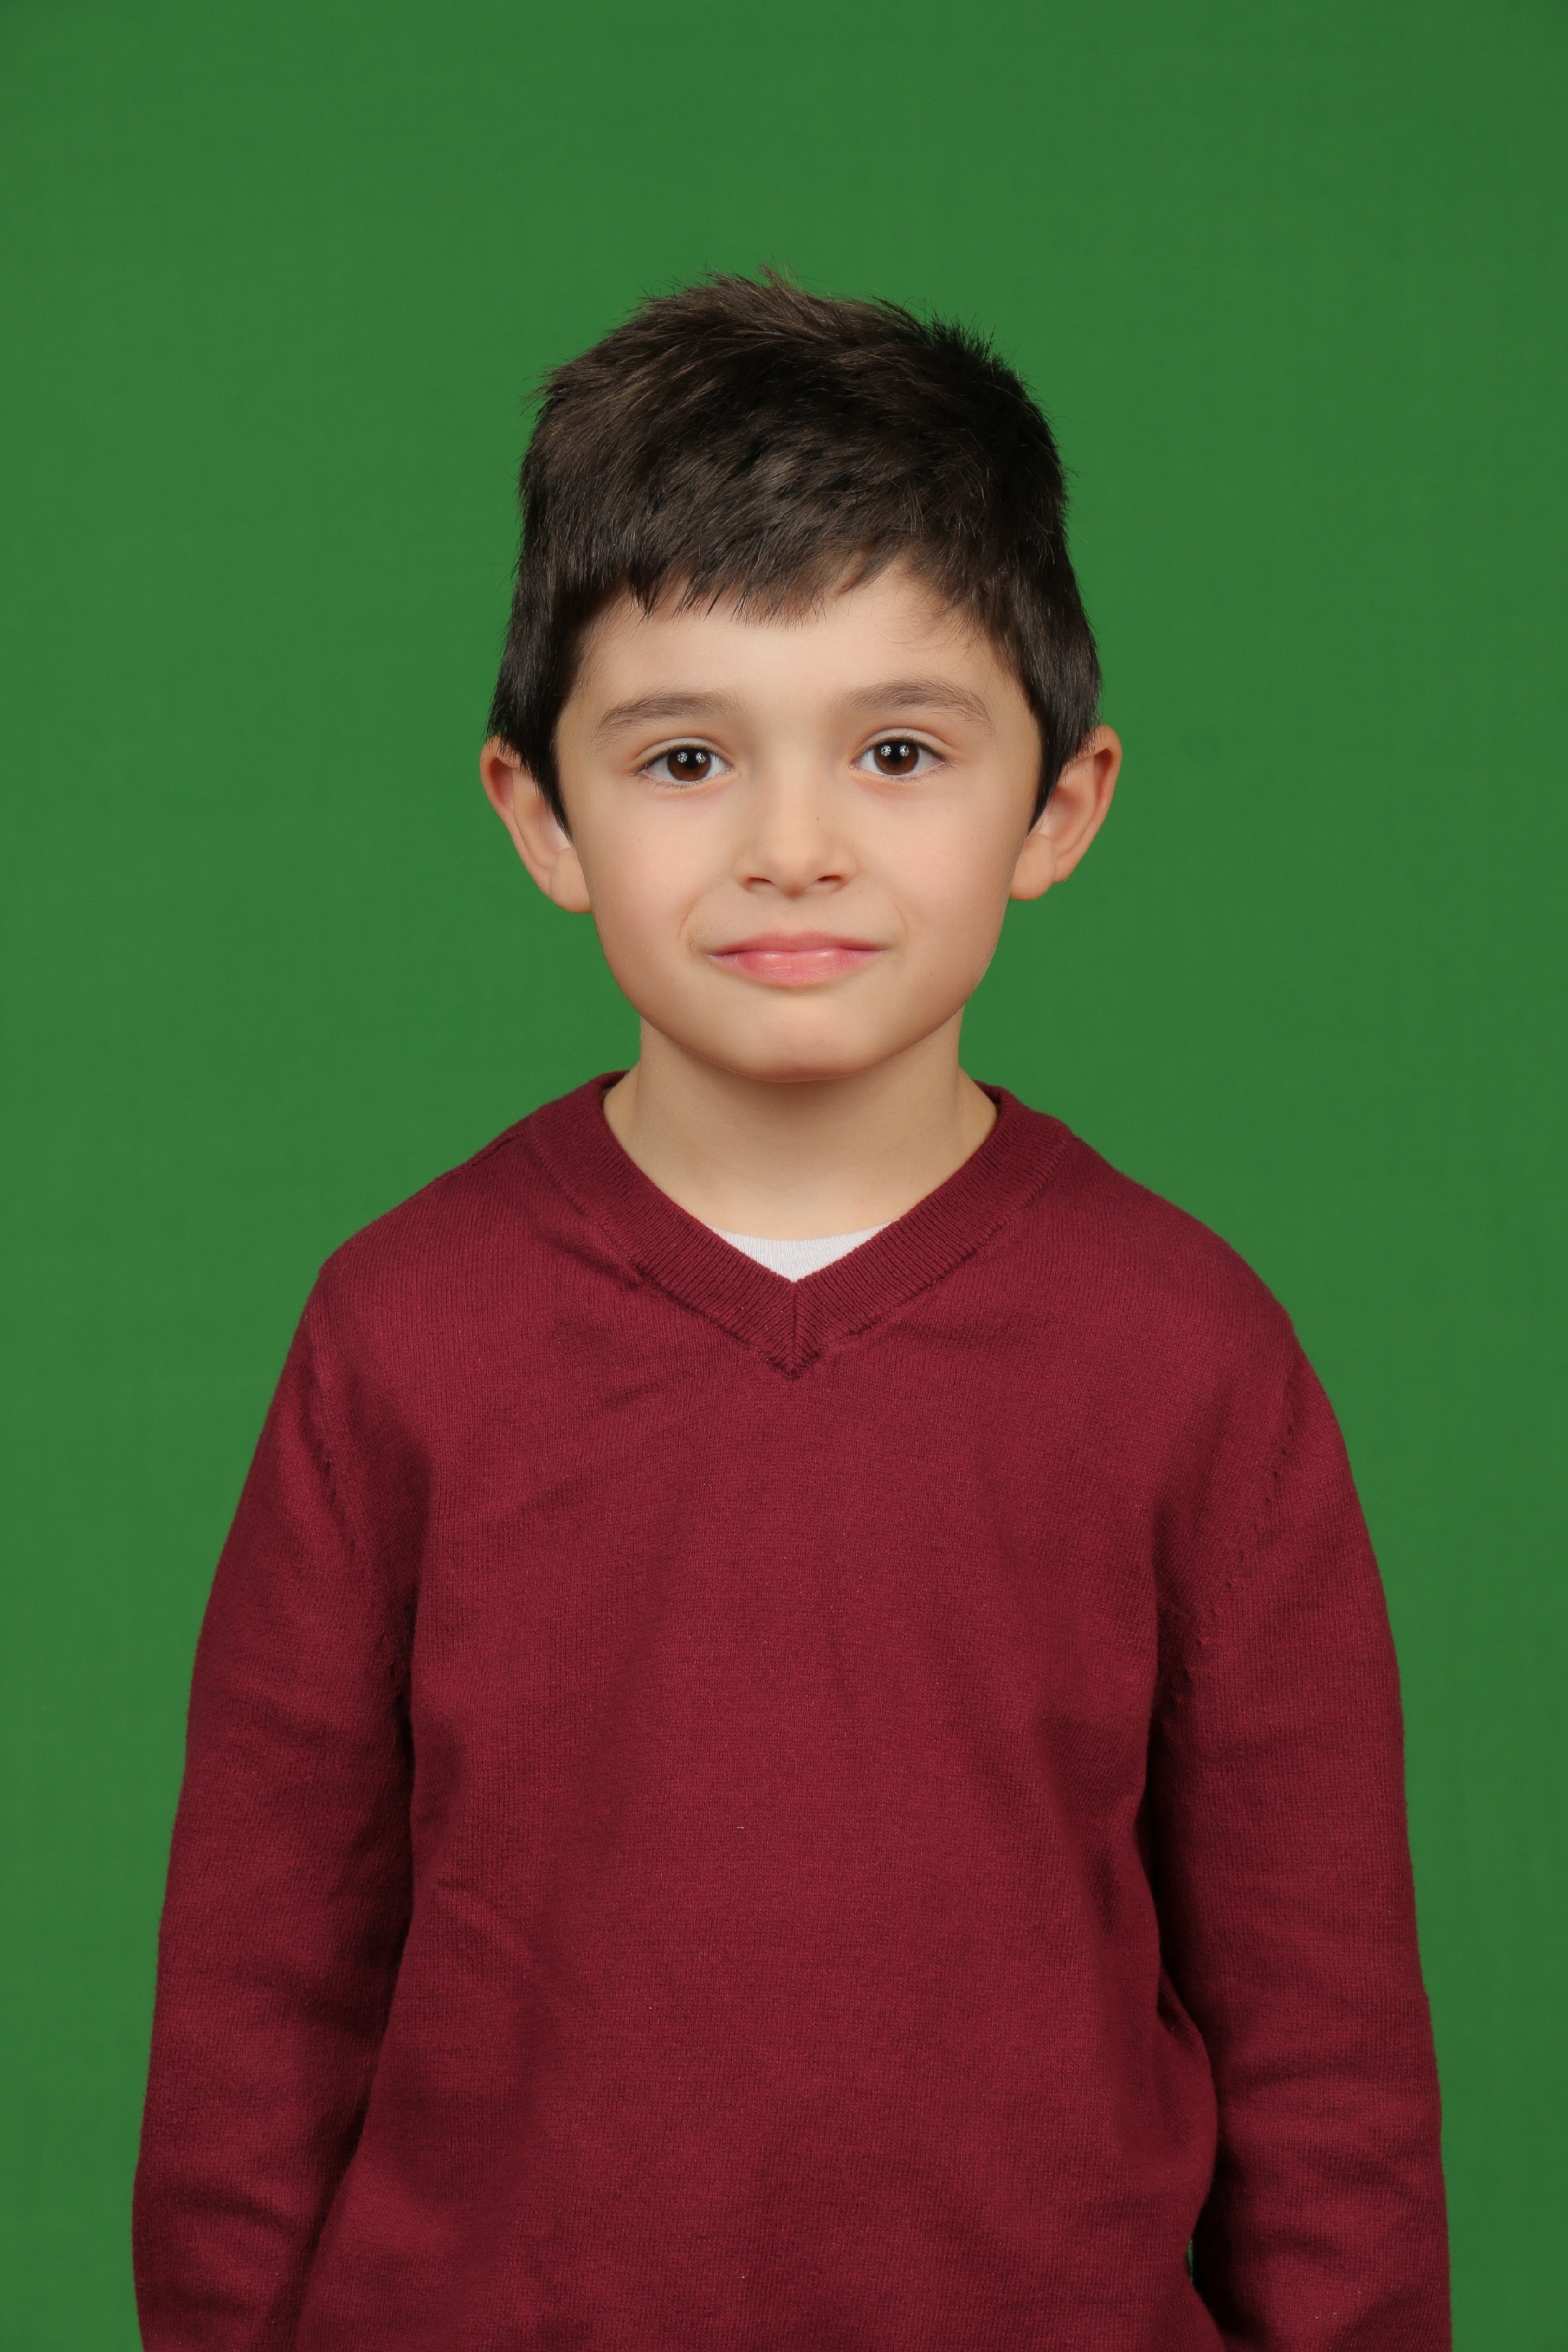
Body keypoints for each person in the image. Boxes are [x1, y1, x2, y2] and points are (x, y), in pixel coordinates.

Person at [133, 274, 1450, 2350]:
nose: (794, 847)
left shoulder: (1192, 1353)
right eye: (686, 756)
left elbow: (1328, 2061)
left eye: (898, 750)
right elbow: (255, 2017)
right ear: (542, 816)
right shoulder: (399, 1334)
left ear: (1062, 803)